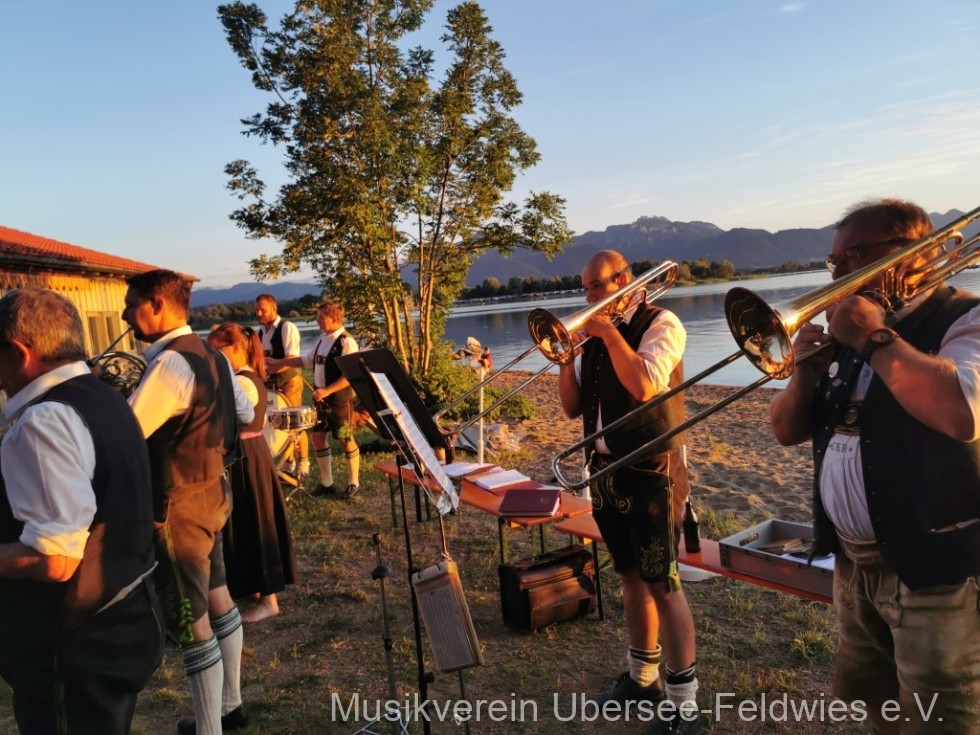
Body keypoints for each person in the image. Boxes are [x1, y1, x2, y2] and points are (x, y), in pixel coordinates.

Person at [769, 198, 980, 735]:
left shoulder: (965, 316)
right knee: (877, 702)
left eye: (854, 256)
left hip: (938, 572)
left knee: (941, 719)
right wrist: (804, 375)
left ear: (914, 253)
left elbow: (962, 411)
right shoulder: (848, 331)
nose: (837, 273)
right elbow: (785, 431)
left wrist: (872, 336)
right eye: (834, 260)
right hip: (854, 567)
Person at [0, 287, 164, 734]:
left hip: (71, 644)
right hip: (123, 615)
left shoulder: (43, 420)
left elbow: (54, 558)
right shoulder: (105, 395)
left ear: (18, 352)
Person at [557, 250, 699, 734]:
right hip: (605, 471)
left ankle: (684, 704)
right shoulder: (597, 339)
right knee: (631, 578)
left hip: (652, 471)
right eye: (586, 289)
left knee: (664, 583)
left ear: (625, 281)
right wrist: (566, 359)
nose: (590, 298)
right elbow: (571, 407)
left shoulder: (663, 323)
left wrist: (607, 334)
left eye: (597, 286)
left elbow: (643, 384)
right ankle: (643, 680)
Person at [124, 269, 255, 735]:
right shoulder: (212, 355)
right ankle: (231, 706)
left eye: (131, 305)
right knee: (219, 597)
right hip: (214, 490)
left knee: (192, 619)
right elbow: (245, 412)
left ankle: (209, 728)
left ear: (157, 304)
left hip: (177, 505)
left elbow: (128, 434)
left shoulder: (169, 364)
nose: (125, 315)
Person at [207, 323, 299, 623]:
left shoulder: (243, 382)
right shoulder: (242, 378)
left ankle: (270, 600)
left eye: (218, 350)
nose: (214, 357)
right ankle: (256, 587)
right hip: (245, 456)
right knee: (245, 522)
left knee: (257, 522)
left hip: (248, 458)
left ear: (236, 348)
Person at [267, 300, 361, 498]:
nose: (317, 321)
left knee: (345, 438)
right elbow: (305, 360)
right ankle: (327, 483)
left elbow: (349, 375)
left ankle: (354, 482)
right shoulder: (322, 339)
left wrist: (327, 390)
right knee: (318, 438)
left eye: (321, 318)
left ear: (334, 318)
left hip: (340, 399)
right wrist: (277, 362)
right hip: (321, 399)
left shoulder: (346, 341)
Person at [255, 294, 310, 482]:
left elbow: (292, 358)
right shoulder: (261, 332)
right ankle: (289, 463)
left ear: (274, 308)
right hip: (271, 383)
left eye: (262, 309)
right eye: (257, 310)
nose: (258, 313)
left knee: (295, 422)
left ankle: (304, 463)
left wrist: (271, 368)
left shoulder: (287, 327)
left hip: (289, 381)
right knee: (278, 424)